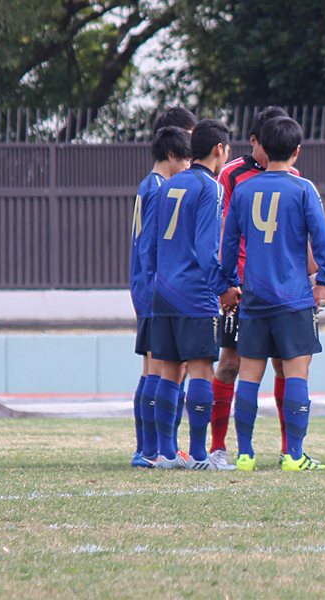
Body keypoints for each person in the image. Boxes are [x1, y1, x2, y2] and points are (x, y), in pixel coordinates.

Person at [221, 116, 325, 471]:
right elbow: (321, 242)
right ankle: (293, 455)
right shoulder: (303, 189)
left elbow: (229, 244)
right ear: (296, 150)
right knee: (296, 376)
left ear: (262, 147)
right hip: (293, 298)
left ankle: (244, 455)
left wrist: (227, 283)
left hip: (254, 297)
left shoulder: (243, 190)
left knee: (248, 377)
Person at [209, 106, 312, 469]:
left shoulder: (294, 177)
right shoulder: (232, 175)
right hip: (242, 288)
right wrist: (228, 283)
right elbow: (222, 232)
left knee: (285, 367)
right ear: (254, 141)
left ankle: (289, 449)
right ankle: (219, 446)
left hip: (281, 289)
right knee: (230, 363)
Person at [151, 118, 241, 470]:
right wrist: (223, 287)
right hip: (194, 293)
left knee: (169, 372)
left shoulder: (168, 184)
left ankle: (166, 454)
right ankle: (201, 456)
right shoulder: (211, 187)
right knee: (202, 369)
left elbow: (155, 242)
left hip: (164, 290)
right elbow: (207, 248)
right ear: (220, 149)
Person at [129, 126, 191, 468]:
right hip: (153, 288)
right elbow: (151, 244)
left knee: (152, 368)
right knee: (159, 368)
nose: (187, 167)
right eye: (184, 160)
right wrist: (160, 287)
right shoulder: (158, 188)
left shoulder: (146, 185)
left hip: (144, 285)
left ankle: (148, 449)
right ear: (171, 156)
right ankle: (151, 451)